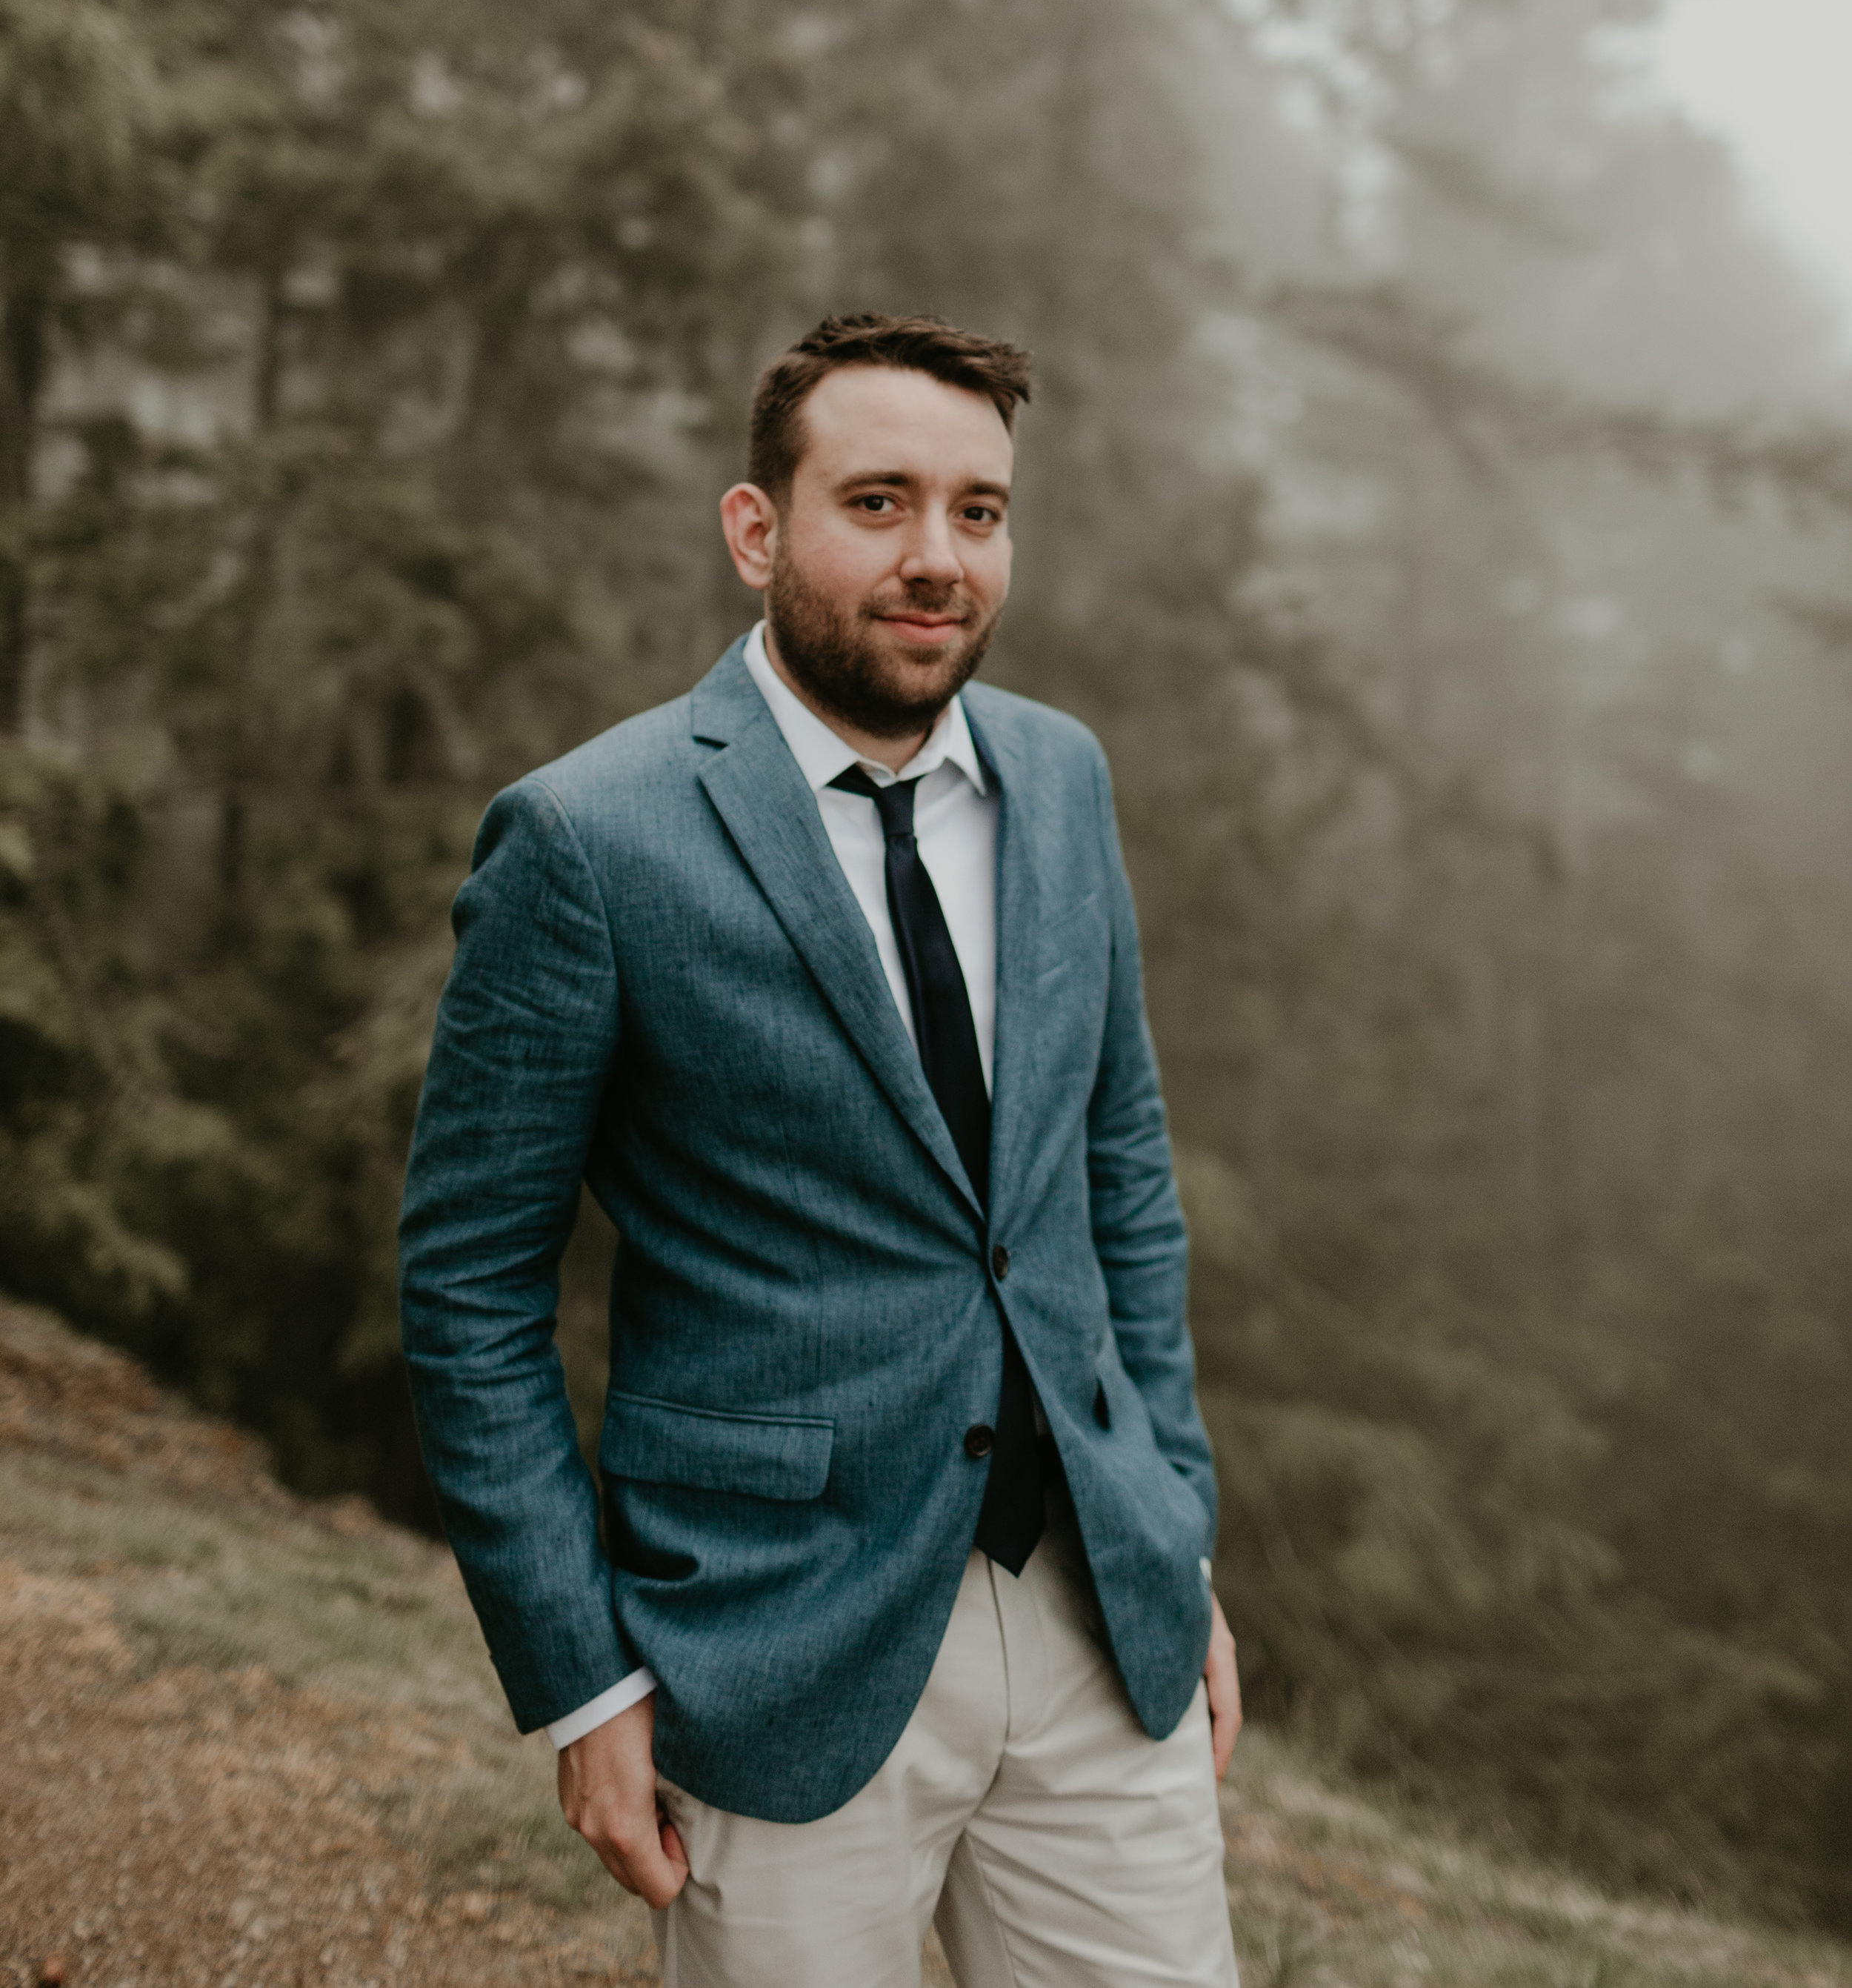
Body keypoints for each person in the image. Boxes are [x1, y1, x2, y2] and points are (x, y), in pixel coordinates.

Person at [399, 310, 1242, 1988]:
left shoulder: (1062, 782)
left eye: (978, 511)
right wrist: (584, 1679)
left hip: (1098, 1613)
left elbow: (1118, 1177)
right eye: (879, 502)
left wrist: (1174, 1524)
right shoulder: (586, 836)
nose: (937, 559)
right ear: (755, 528)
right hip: (771, 1638)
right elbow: (468, 1288)